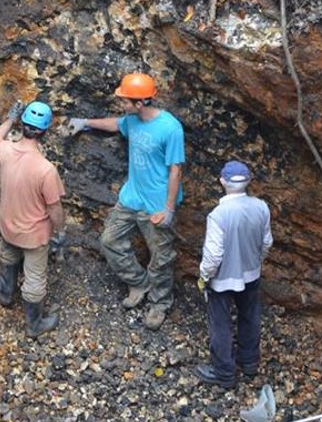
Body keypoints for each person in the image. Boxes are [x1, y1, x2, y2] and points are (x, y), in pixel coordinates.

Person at [67, 73, 185, 330]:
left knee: (161, 257)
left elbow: (176, 169)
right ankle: (139, 283)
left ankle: (160, 303)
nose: (122, 104)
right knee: (109, 240)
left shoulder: (170, 128)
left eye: (125, 101)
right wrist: (85, 122)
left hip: (156, 204)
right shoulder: (133, 121)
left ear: (140, 102)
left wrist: (168, 209)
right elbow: (115, 124)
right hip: (131, 197)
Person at [0, 100, 66, 337]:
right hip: (33, 234)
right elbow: (54, 208)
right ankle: (34, 325)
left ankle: (5, 291)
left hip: (8, 224)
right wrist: (60, 232)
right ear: (44, 131)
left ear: (22, 125)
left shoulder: (6, 150)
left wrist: (11, 117)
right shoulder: (46, 170)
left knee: (8, 255)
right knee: (34, 278)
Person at [192, 161, 273, 389]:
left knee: (221, 323)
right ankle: (249, 363)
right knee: (250, 316)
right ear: (248, 182)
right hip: (251, 274)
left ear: (222, 181)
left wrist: (204, 276)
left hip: (223, 279)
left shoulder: (219, 215)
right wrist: (257, 262)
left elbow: (213, 255)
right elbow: (266, 242)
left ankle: (224, 373)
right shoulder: (261, 207)